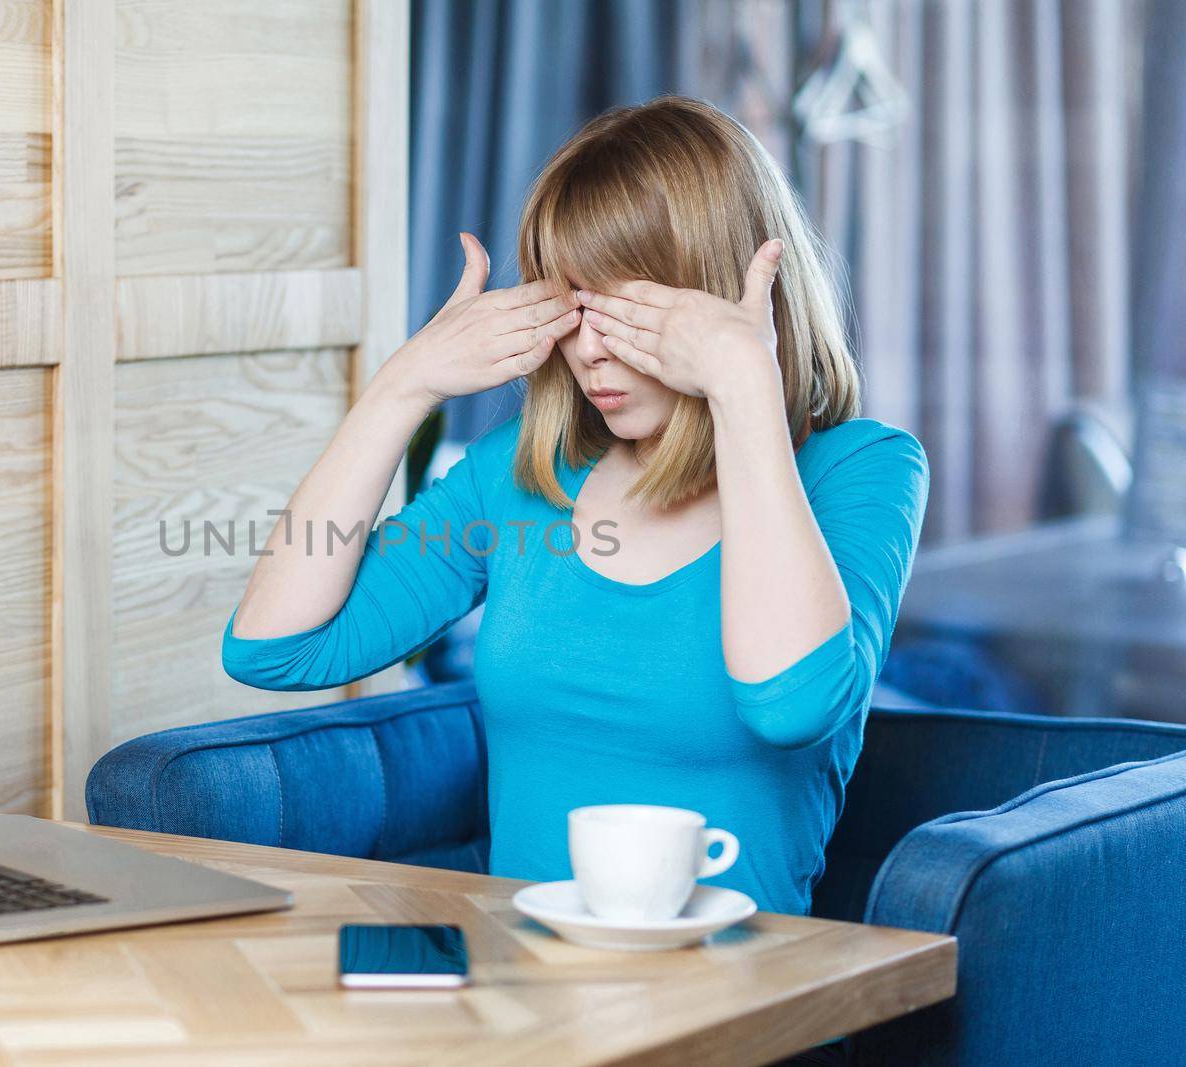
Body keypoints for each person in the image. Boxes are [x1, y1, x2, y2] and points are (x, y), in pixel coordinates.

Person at [221, 95, 929, 1065]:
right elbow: (275, 647)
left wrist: (744, 389)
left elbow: (790, 700)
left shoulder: (859, 469)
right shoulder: (525, 475)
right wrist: (403, 388)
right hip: (524, 1020)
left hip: (739, 1024)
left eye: (629, 308)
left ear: (714, 291)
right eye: (570, 306)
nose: (589, 348)